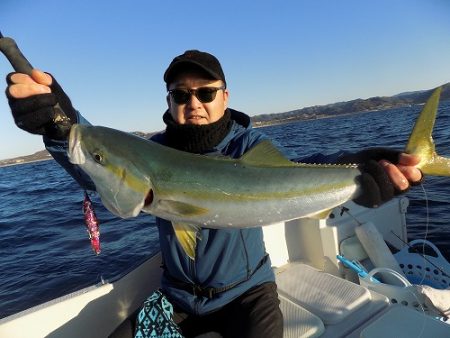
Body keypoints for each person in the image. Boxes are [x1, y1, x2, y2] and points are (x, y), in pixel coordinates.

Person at [5, 50, 423, 338]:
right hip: (177, 296)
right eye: (181, 95)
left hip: (249, 294)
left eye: (206, 92)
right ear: (169, 102)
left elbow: (303, 166)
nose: (194, 103)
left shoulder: (247, 147)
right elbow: (100, 167)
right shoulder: (153, 152)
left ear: (225, 96)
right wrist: (59, 127)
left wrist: (364, 166)